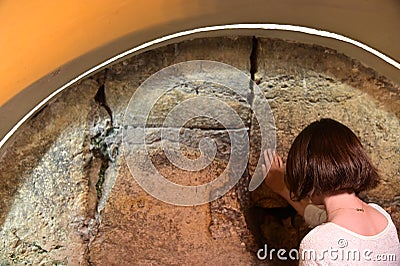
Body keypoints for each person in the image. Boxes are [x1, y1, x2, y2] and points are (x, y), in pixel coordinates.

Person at [262, 118, 400, 265]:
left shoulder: (317, 245)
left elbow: (328, 231)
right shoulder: (382, 217)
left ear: (308, 173)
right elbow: (319, 217)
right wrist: (281, 189)